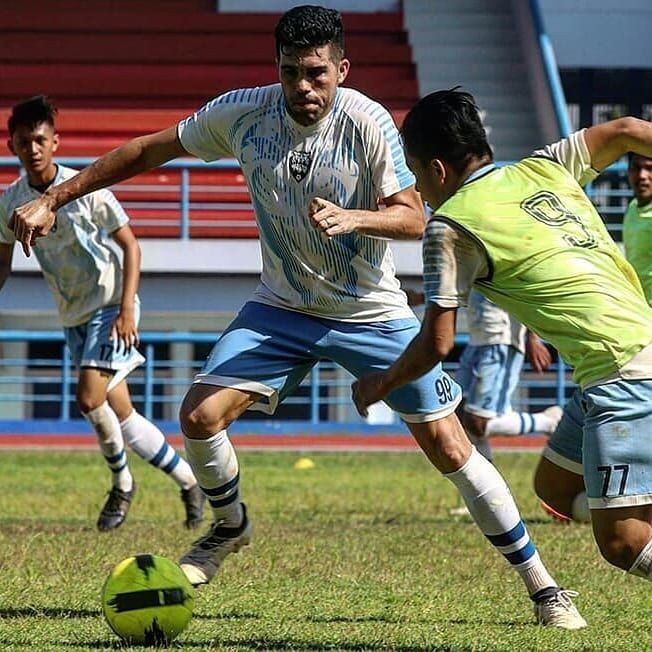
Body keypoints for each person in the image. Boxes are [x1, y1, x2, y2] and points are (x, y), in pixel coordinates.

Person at [8, 7, 584, 629]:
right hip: (280, 306)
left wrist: (356, 218)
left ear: (342, 68)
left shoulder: (368, 123)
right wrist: (54, 195)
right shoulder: (244, 113)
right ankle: (231, 526)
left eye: (316, 73)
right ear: (276, 70)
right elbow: (150, 150)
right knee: (198, 416)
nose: (303, 88)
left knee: (450, 444)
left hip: (369, 309)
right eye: (291, 74)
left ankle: (545, 588)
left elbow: (416, 216)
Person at [352, 88, 652, 591]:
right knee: (553, 487)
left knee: (623, 545)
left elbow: (436, 344)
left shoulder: (448, 227)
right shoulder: (544, 167)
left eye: (415, 174)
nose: (417, 190)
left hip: (622, 374)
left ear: (439, 170)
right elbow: (623, 131)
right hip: (615, 363)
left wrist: (380, 384)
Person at [0, 95, 205, 531]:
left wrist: (127, 308)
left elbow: (130, 244)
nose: (32, 149)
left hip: (110, 308)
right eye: (23, 142)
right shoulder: (11, 204)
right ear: (12, 146)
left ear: (55, 142)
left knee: (89, 399)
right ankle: (189, 481)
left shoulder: (86, 190)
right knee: (124, 419)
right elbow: (3, 260)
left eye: (40, 140)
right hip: (73, 314)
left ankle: (122, 485)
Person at [406, 285, 562, 461]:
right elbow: (458, 290)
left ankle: (549, 422)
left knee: (477, 422)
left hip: (501, 342)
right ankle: (487, 476)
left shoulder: (505, 259)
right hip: (476, 342)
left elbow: (526, 291)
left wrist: (532, 338)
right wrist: (420, 297)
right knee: (458, 412)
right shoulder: (468, 259)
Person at [623, 153, 652, 305]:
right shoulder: (633, 207)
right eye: (636, 168)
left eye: (649, 168)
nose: (642, 175)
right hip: (640, 308)